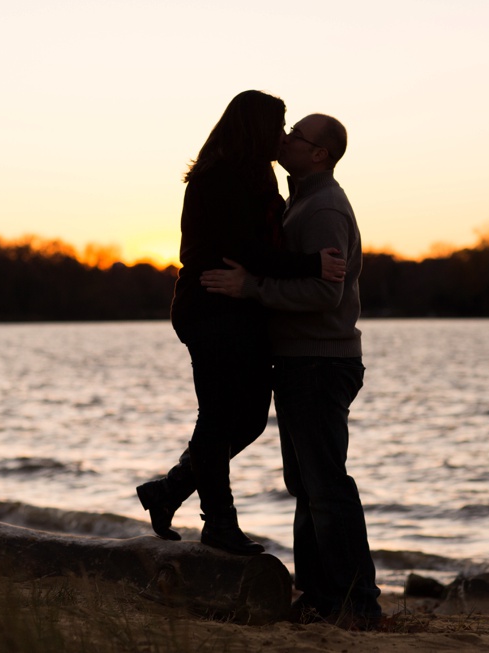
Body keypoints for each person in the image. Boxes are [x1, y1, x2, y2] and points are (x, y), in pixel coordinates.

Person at [136, 92, 346, 556]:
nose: (282, 136)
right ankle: (219, 524)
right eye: (278, 126)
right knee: (216, 417)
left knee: (249, 418)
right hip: (210, 309)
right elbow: (247, 251)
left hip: (240, 313)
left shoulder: (256, 174)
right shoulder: (221, 178)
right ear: (255, 128)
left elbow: (256, 251)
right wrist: (311, 264)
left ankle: (168, 492)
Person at [200, 113, 382, 625]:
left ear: (319, 153)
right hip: (305, 359)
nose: (283, 138)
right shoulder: (300, 197)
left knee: (326, 486)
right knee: (307, 485)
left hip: (321, 361)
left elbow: (327, 293)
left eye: (296, 136)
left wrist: (251, 288)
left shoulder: (323, 207)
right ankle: (323, 596)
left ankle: (357, 604)